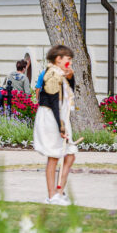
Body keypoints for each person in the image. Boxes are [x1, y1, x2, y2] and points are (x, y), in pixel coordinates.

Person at [34, 45, 77, 205]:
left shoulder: (62, 74)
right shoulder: (52, 74)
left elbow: (69, 94)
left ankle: (60, 191)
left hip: (61, 115)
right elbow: (53, 102)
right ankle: (52, 195)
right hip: (51, 118)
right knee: (53, 157)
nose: (70, 62)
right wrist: (60, 126)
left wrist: (71, 77)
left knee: (70, 155)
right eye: (68, 59)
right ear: (58, 59)